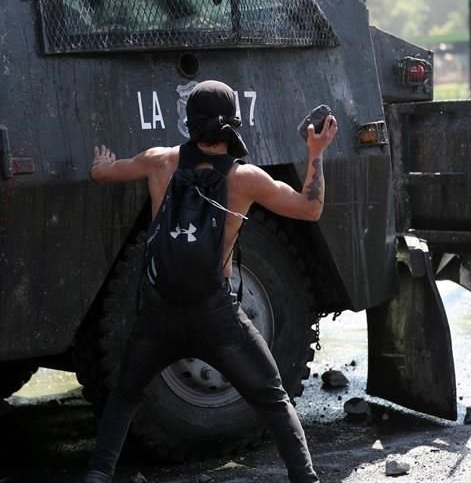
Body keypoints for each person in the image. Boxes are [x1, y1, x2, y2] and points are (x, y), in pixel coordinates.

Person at [85, 80, 338, 483]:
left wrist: (101, 163)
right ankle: (305, 479)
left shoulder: (159, 161)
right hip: (217, 318)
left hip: (159, 314)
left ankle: (97, 476)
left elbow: (104, 174)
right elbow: (310, 208)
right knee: (272, 399)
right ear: (233, 123)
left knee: (125, 397)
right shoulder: (245, 178)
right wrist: (315, 154)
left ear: (189, 122)